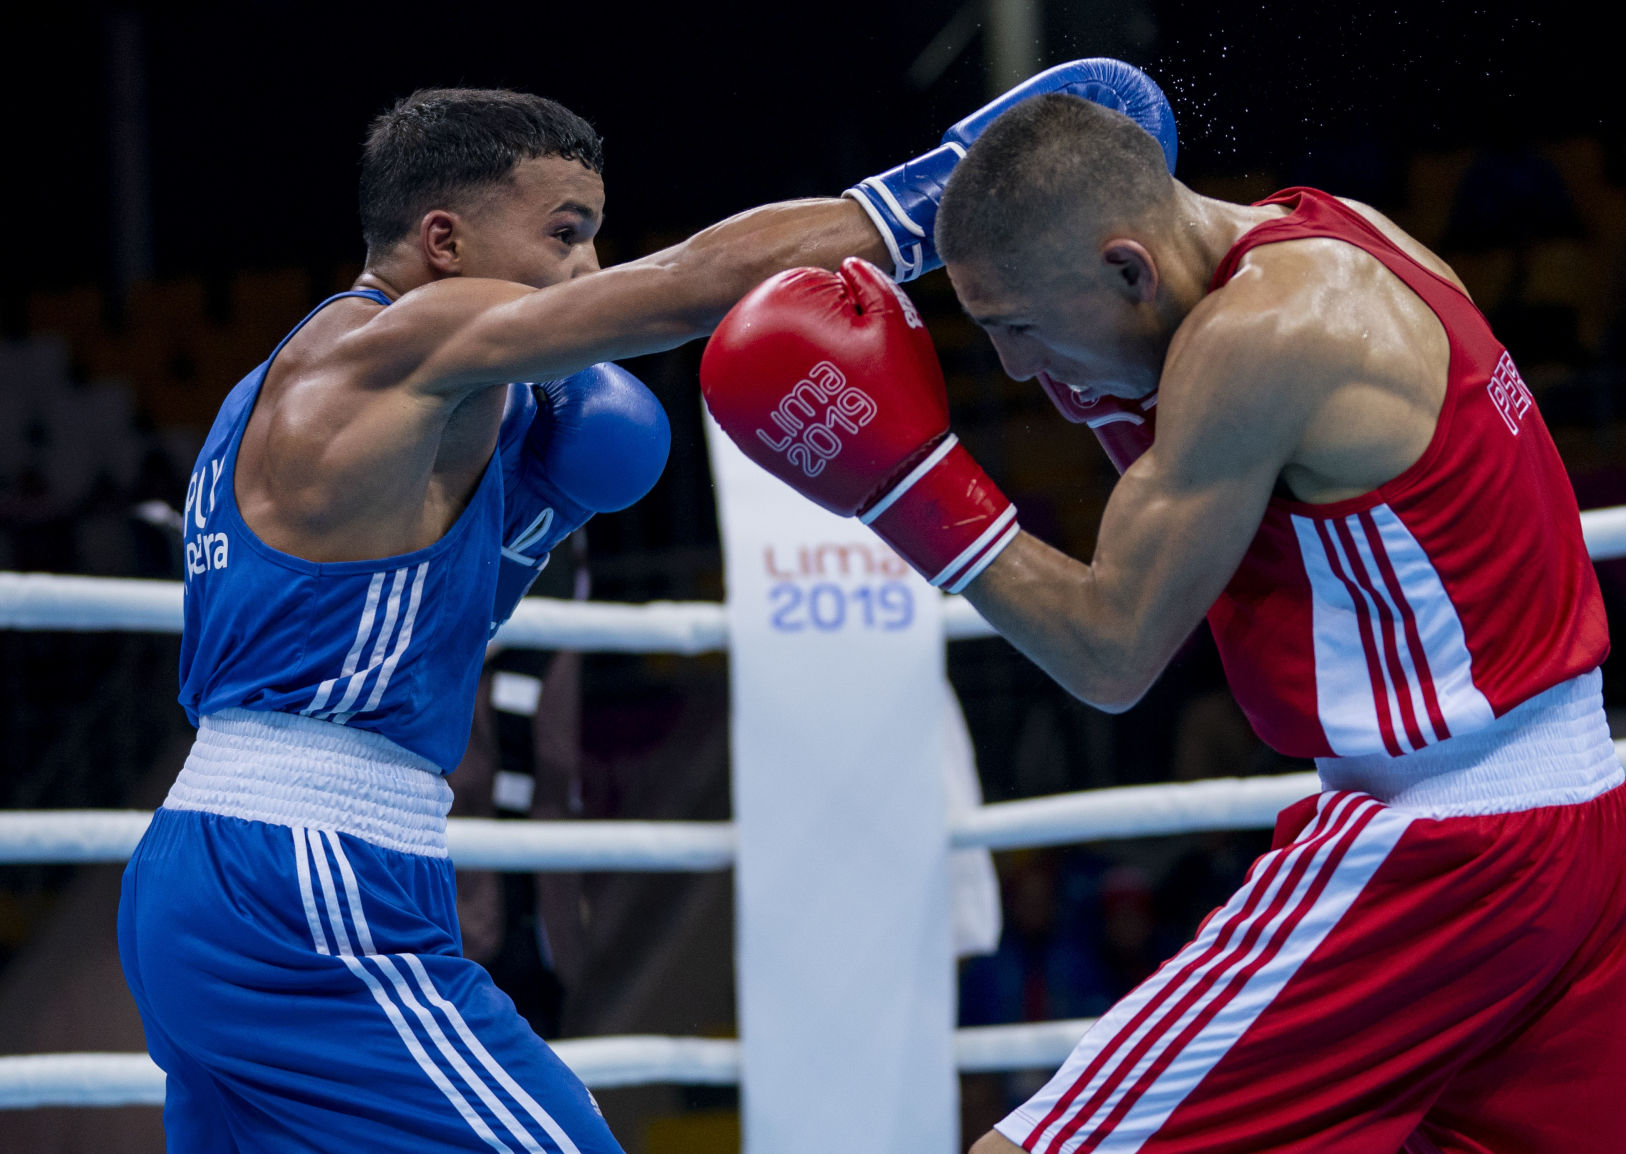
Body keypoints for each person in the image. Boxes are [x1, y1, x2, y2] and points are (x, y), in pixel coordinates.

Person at [118, 69, 1176, 1153]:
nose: (586, 272)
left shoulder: (281, 392)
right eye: (564, 234)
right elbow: (680, 288)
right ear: (442, 242)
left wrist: (533, 509)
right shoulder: (395, 343)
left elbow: (390, 642)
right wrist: (938, 197)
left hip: (214, 867)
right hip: (306, 883)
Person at [700, 93, 1626, 1152]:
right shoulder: (1328, 230)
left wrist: (904, 485)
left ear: (1127, 269)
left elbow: (1108, 652)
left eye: (1016, 326)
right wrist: (1108, 390)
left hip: (1443, 844)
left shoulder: (1262, 336)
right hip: (1582, 824)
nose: (1015, 369)